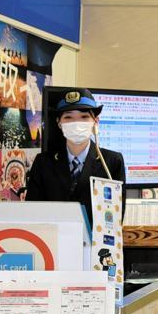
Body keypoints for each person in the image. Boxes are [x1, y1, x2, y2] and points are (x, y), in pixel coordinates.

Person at [26, 88, 126, 226]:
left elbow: (116, 216)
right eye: (68, 117)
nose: (76, 123)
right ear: (59, 123)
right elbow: (32, 213)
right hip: (53, 242)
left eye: (84, 117)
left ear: (95, 122)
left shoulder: (112, 162)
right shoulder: (43, 163)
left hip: (94, 244)